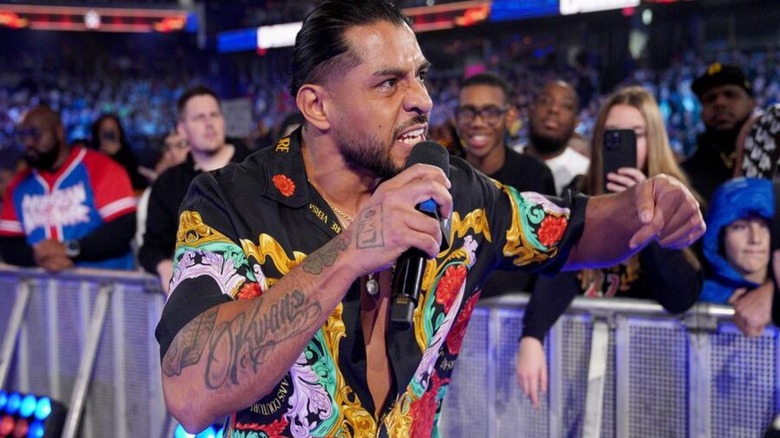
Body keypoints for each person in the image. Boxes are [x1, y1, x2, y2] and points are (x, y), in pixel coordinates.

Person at [155, 2, 704, 436]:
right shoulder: (231, 201)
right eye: (388, 83)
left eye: (420, 76)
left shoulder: (453, 191)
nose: (421, 99)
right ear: (318, 106)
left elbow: (573, 233)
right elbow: (189, 395)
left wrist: (644, 206)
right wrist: (351, 252)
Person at [515, 86, 702, 408]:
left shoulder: (682, 202)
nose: (623, 143)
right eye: (612, 134)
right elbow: (559, 267)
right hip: (580, 362)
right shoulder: (580, 191)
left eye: (636, 135)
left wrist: (647, 216)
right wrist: (532, 335)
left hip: (651, 367)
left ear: (654, 139)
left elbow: (680, 296)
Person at [138, 86, 250, 295]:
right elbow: (151, 248)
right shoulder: (169, 183)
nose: (209, 123)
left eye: (214, 115)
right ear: (182, 129)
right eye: (199, 118)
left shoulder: (256, 167)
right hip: (201, 300)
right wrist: (163, 266)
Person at [0, 105, 137, 271]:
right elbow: (8, 244)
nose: (28, 142)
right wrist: (37, 257)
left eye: (36, 134)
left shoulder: (101, 168)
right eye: (24, 136)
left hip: (105, 281)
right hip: (40, 283)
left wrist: (70, 249)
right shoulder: (19, 184)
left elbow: (122, 228)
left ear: (59, 132)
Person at [455, 72, 555, 295]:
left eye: (490, 112)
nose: (478, 122)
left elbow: (536, 260)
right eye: (468, 112)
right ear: (457, 117)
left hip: (510, 309)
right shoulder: (444, 176)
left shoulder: (534, 176)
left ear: (509, 117)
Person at [700, 177, 774, 336]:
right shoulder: (695, 299)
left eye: (764, 227)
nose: (755, 239)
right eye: (740, 227)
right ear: (720, 236)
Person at [682, 63, 756, 204]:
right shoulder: (684, 176)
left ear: (752, 103)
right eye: (710, 98)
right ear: (701, 111)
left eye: (730, 94)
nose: (720, 103)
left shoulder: (775, 161)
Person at [522, 80, 590, 195]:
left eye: (566, 106)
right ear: (530, 110)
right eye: (545, 101)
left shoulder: (586, 172)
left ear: (576, 123)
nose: (554, 109)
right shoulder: (503, 159)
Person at [90, 113, 149, 193]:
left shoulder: (129, 157)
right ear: (98, 133)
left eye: (113, 130)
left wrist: (118, 154)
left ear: (119, 132)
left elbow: (137, 183)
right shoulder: (90, 157)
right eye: (105, 130)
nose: (109, 133)